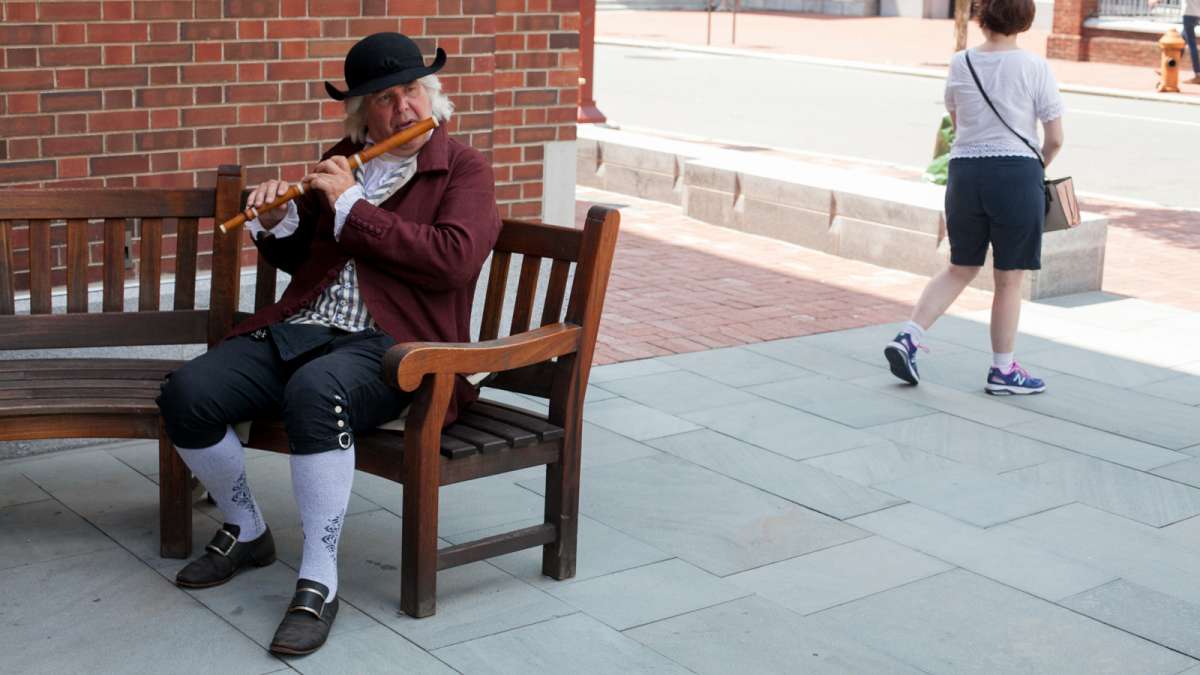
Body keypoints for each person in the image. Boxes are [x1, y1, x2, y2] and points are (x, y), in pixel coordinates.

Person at [156, 32, 501, 655]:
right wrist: (279, 223)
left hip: (400, 347)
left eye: (413, 92)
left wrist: (353, 206)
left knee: (316, 393)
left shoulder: (464, 169)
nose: (405, 109)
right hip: (309, 326)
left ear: (433, 96)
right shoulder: (345, 156)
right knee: (188, 391)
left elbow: (453, 261)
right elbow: (315, 261)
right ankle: (247, 527)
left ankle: (318, 579)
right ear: (362, 112)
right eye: (387, 99)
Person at [883, 0, 1063, 395]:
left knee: (960, 267)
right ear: (1025, 20)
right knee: (1009, 279)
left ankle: (909, 336)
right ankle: (1003, 371)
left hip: (965, 173)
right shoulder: (1035, 67)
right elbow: (1055, 138)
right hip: (1016, 174)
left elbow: (957, 118)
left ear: (982, 19)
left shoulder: (961, 62)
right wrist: (1037, 167)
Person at [1151, 0, 1200, 84]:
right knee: (1181, 41)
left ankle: (1198, 73)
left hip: (1188, 14)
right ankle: (1166, 69)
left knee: (1191, 44)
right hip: (1196, 14)